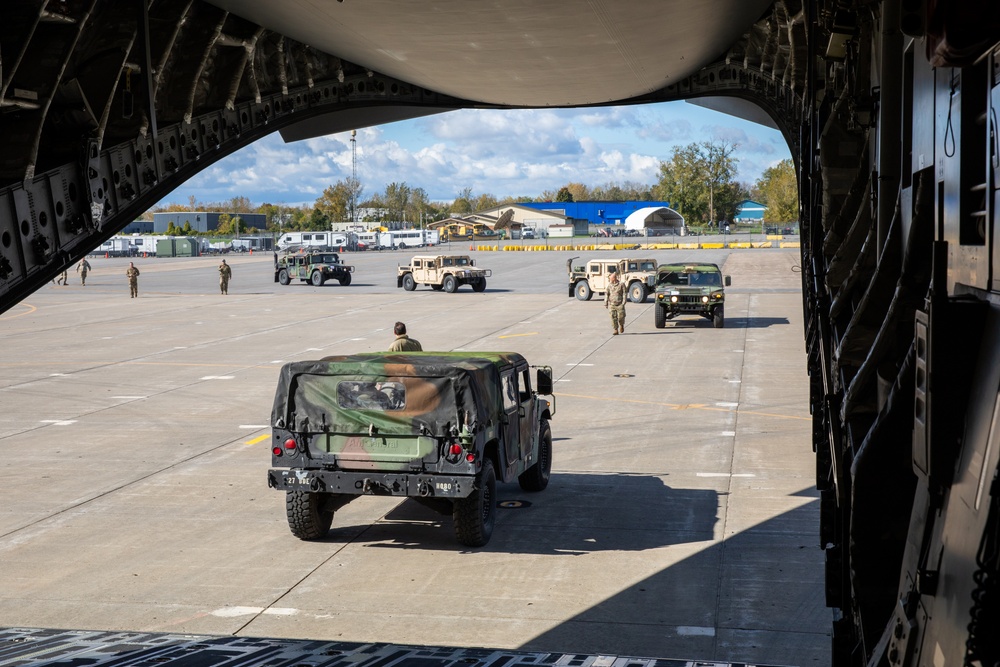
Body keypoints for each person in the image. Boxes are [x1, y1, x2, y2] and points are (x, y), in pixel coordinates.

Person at [605, 269, 627, 335]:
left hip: (620, 304)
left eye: (611, 278)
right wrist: (605, 303)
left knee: (621, 317)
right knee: (613, 317)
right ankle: (615, 330)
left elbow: (624, 293)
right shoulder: (609, 285)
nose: (610, 280)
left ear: (614, 278)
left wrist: (624, 302)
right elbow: (607, 294)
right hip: (612, 304)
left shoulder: (621, 284)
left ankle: (621, 325)